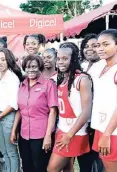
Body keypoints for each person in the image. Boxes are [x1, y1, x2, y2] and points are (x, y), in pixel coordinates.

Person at [47, 42, 93, 172]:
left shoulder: (82, 80)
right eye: (59, 59)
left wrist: (69, 135)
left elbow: (86, 112)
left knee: (52, 168)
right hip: (61, 128)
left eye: (65, 59)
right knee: (67, 168)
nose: (60, 62)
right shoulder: (58, 78)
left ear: (73, 60)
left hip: (74, 132)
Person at [10, 55, 58, 172]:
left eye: (34, 67)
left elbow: (53, 111)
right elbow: (20, 110)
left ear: (39, 67)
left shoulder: (48, 84)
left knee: (40, 166)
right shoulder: (22, 85)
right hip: (24, 134)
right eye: (27, 67)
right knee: (27, 165)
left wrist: (47, 136)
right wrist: (13, 131)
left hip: (41, 135)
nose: (30, 70)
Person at [78, 34, 105, 172]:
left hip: (98, 120)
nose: (89, 49)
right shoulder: (83, 65)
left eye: (94, 46)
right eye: (86, 46)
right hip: (84, 119)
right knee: (85, 157)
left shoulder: (105, 66)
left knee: (99, 159)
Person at [0, 48, 22, 172]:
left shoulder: (12, 78)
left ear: (8, 60)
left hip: (8, 117)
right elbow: (0, 99)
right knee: (3, 151)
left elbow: (14, 103)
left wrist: (0, 116)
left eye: (3, 60)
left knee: (11, 152)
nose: (0, 63)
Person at [91, 29, 117, 172]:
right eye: (98, 45)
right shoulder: (100, 66)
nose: (100, 49)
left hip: (112, 131)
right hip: (101, 127)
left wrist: (107, 134)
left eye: (106, 44)